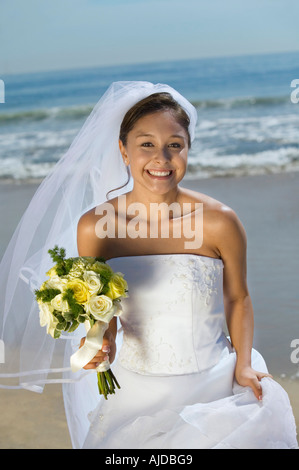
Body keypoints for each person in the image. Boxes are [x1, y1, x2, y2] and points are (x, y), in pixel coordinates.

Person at [0, 82, 297, 449]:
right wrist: (101, 343)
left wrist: (244, 366)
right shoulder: (95, 228)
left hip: (216, 384)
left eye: (175, 144)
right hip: (136, 395)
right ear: (123, 151)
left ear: (188, 149)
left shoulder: (220, 221)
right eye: (146, 145)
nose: (162, 158)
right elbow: (103, 312)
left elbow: (238, 298)